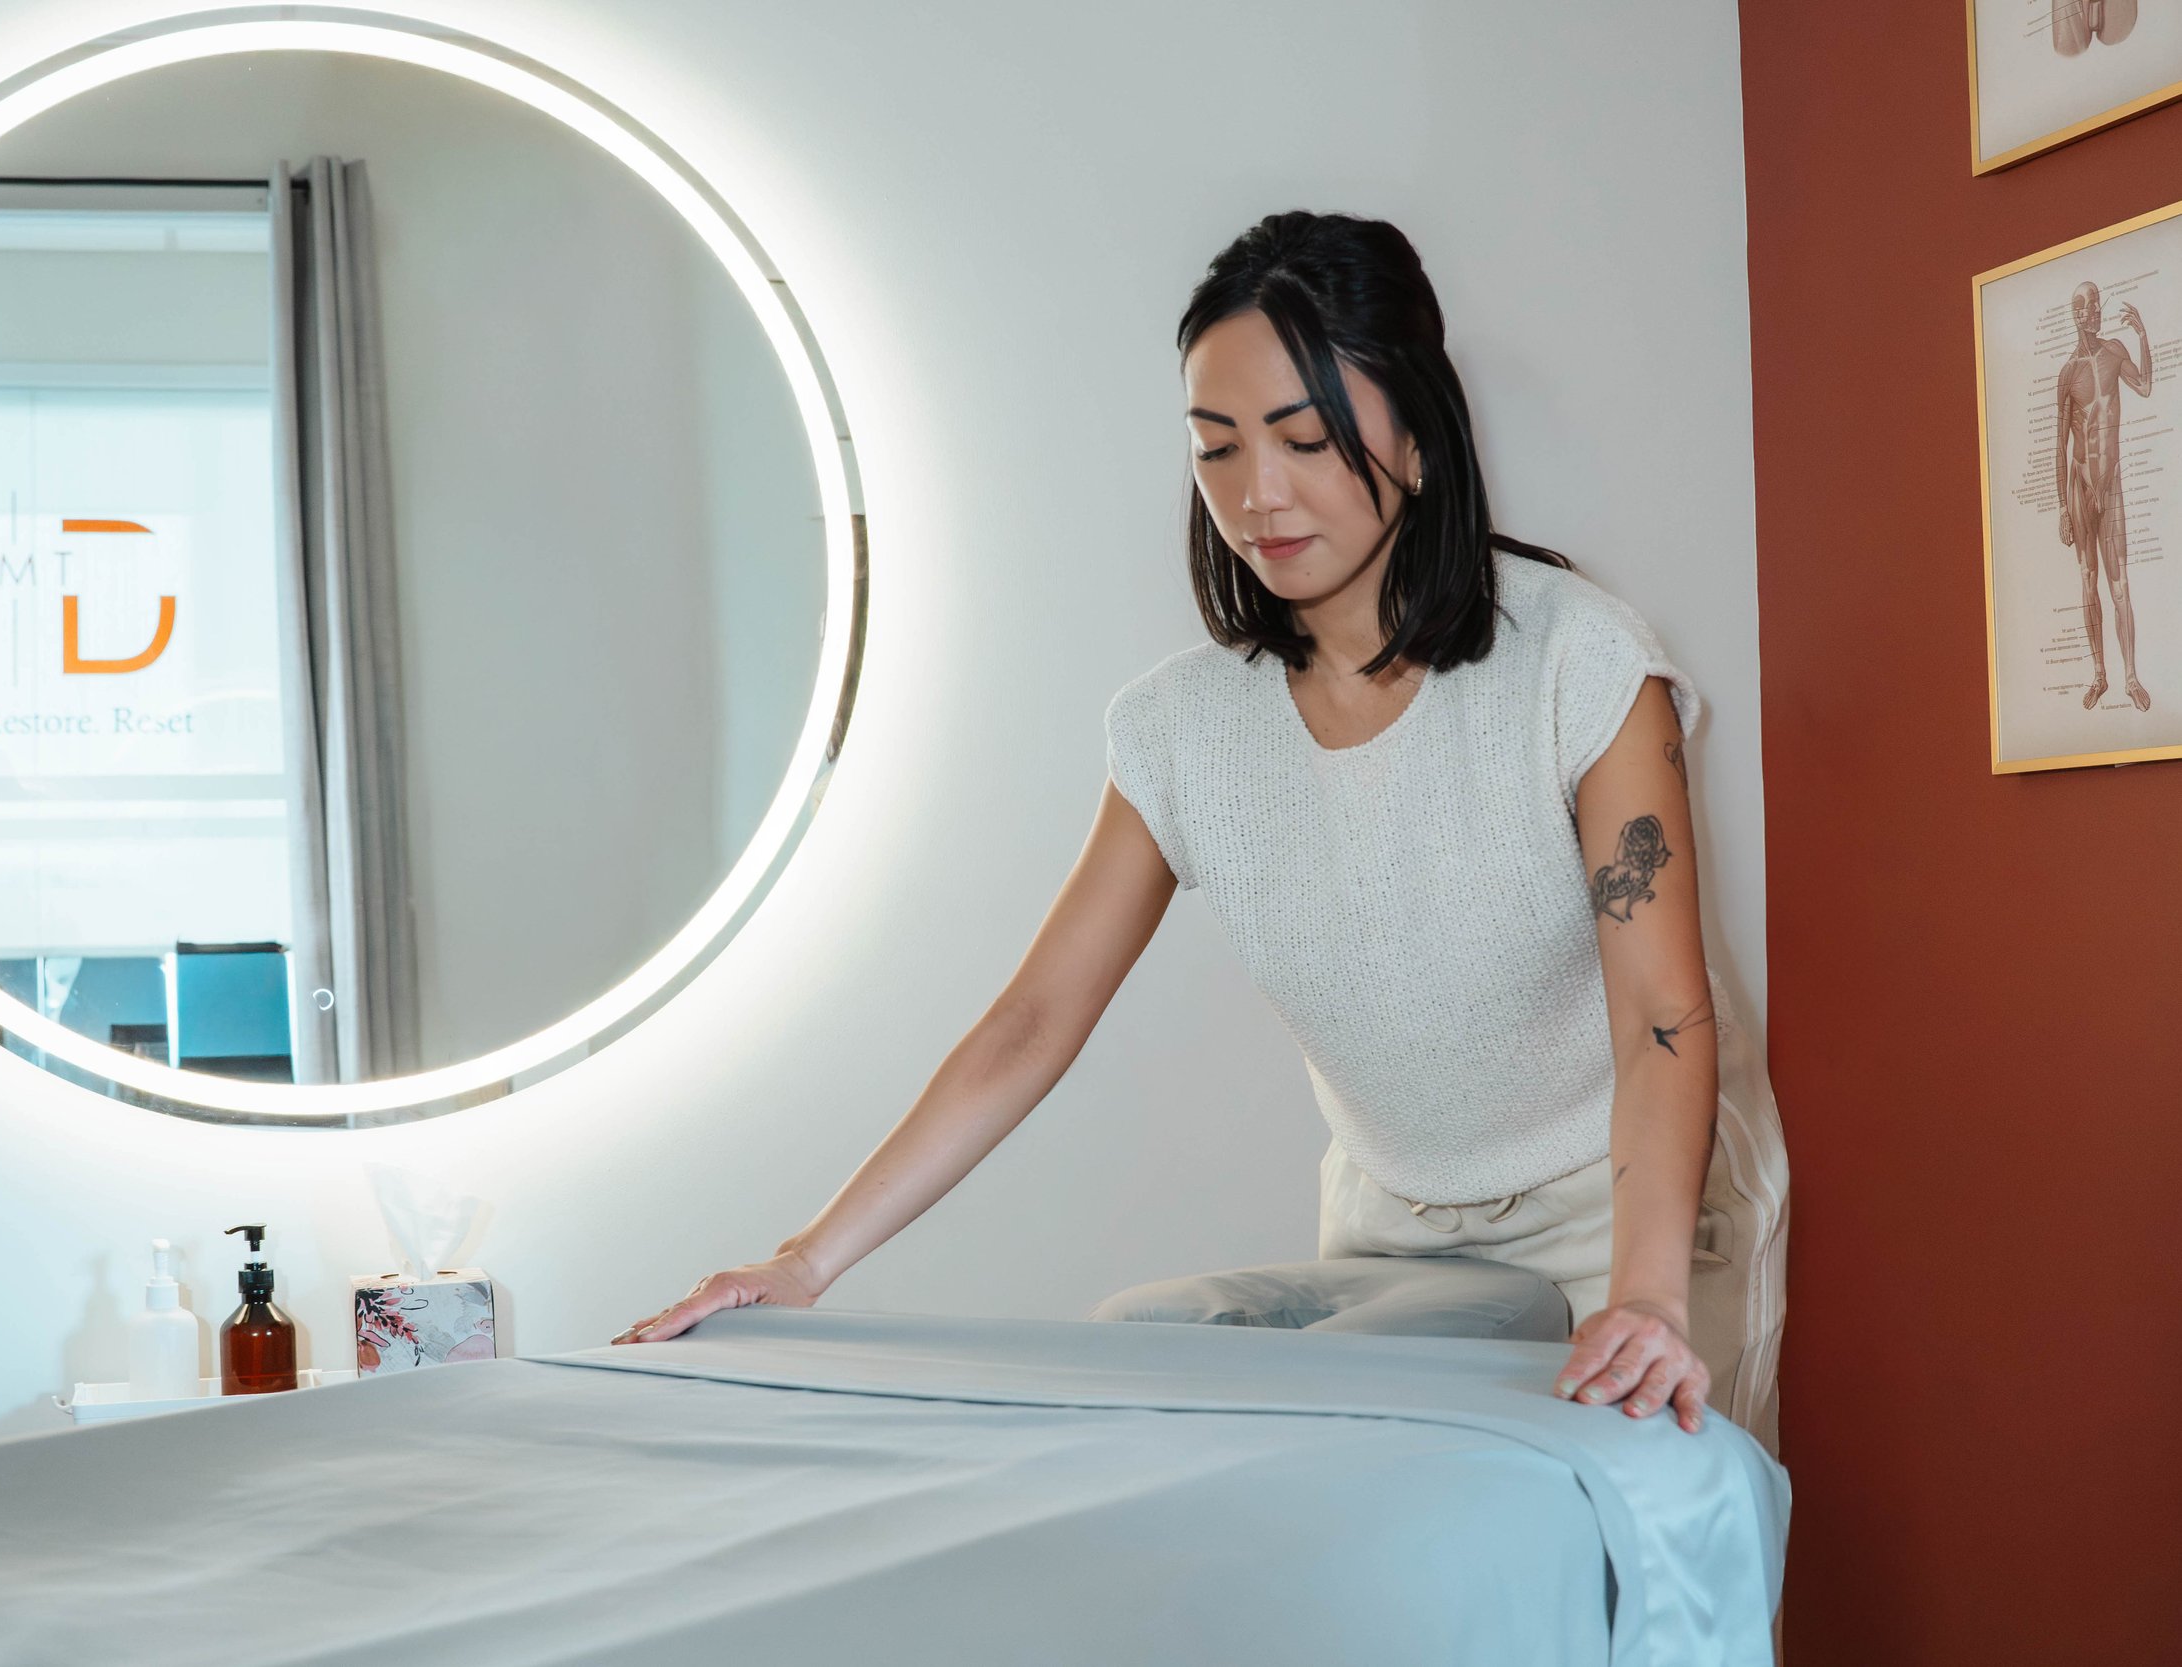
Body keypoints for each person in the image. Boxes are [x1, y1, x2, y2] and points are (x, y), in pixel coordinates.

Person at [614, 212, 1788, 1451]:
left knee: (1641, 1584)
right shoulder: (1183, 730)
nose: (1256, 494)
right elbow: (1030, 1022)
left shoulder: (1581, 665)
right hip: (1391, 1227)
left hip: (1635, 1199)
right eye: (1216, 448)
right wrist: (802, 1264)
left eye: (1301, 437)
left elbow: (1661, 1014)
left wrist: (1648, 1290)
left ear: (1419, 439)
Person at [2055, 279, 2155, 712]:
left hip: (2110, 482)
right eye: (2086, 304)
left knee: (2120, 585)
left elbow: (2147, 386)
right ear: (2076, 314)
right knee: (2088, 580)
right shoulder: (2067, 374)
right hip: (2080, 486)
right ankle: (2100, 675)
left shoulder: (2114, 351)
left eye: (2096, 302)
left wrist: (2143, 336)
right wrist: (2062, 504)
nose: (2094, 309)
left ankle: (2131, 677)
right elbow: (2059, 445)